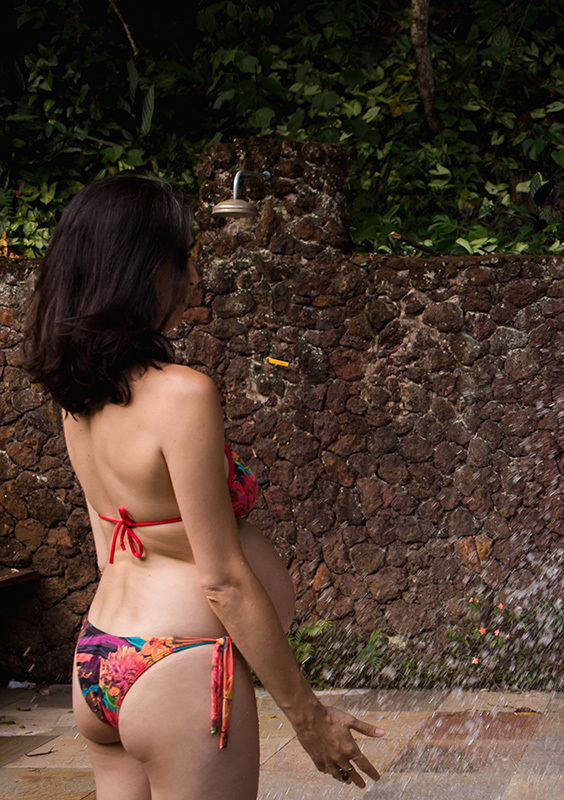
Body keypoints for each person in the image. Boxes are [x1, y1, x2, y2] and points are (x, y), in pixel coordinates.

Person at [21, 175, 384, 799]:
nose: (192, 276)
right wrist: (308, 715)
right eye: (180, 258)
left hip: (100, 656)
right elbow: (223, 579)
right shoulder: (183, 394)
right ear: (139, 269)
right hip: (180, 667)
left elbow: (109, 541)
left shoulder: (77, 395)